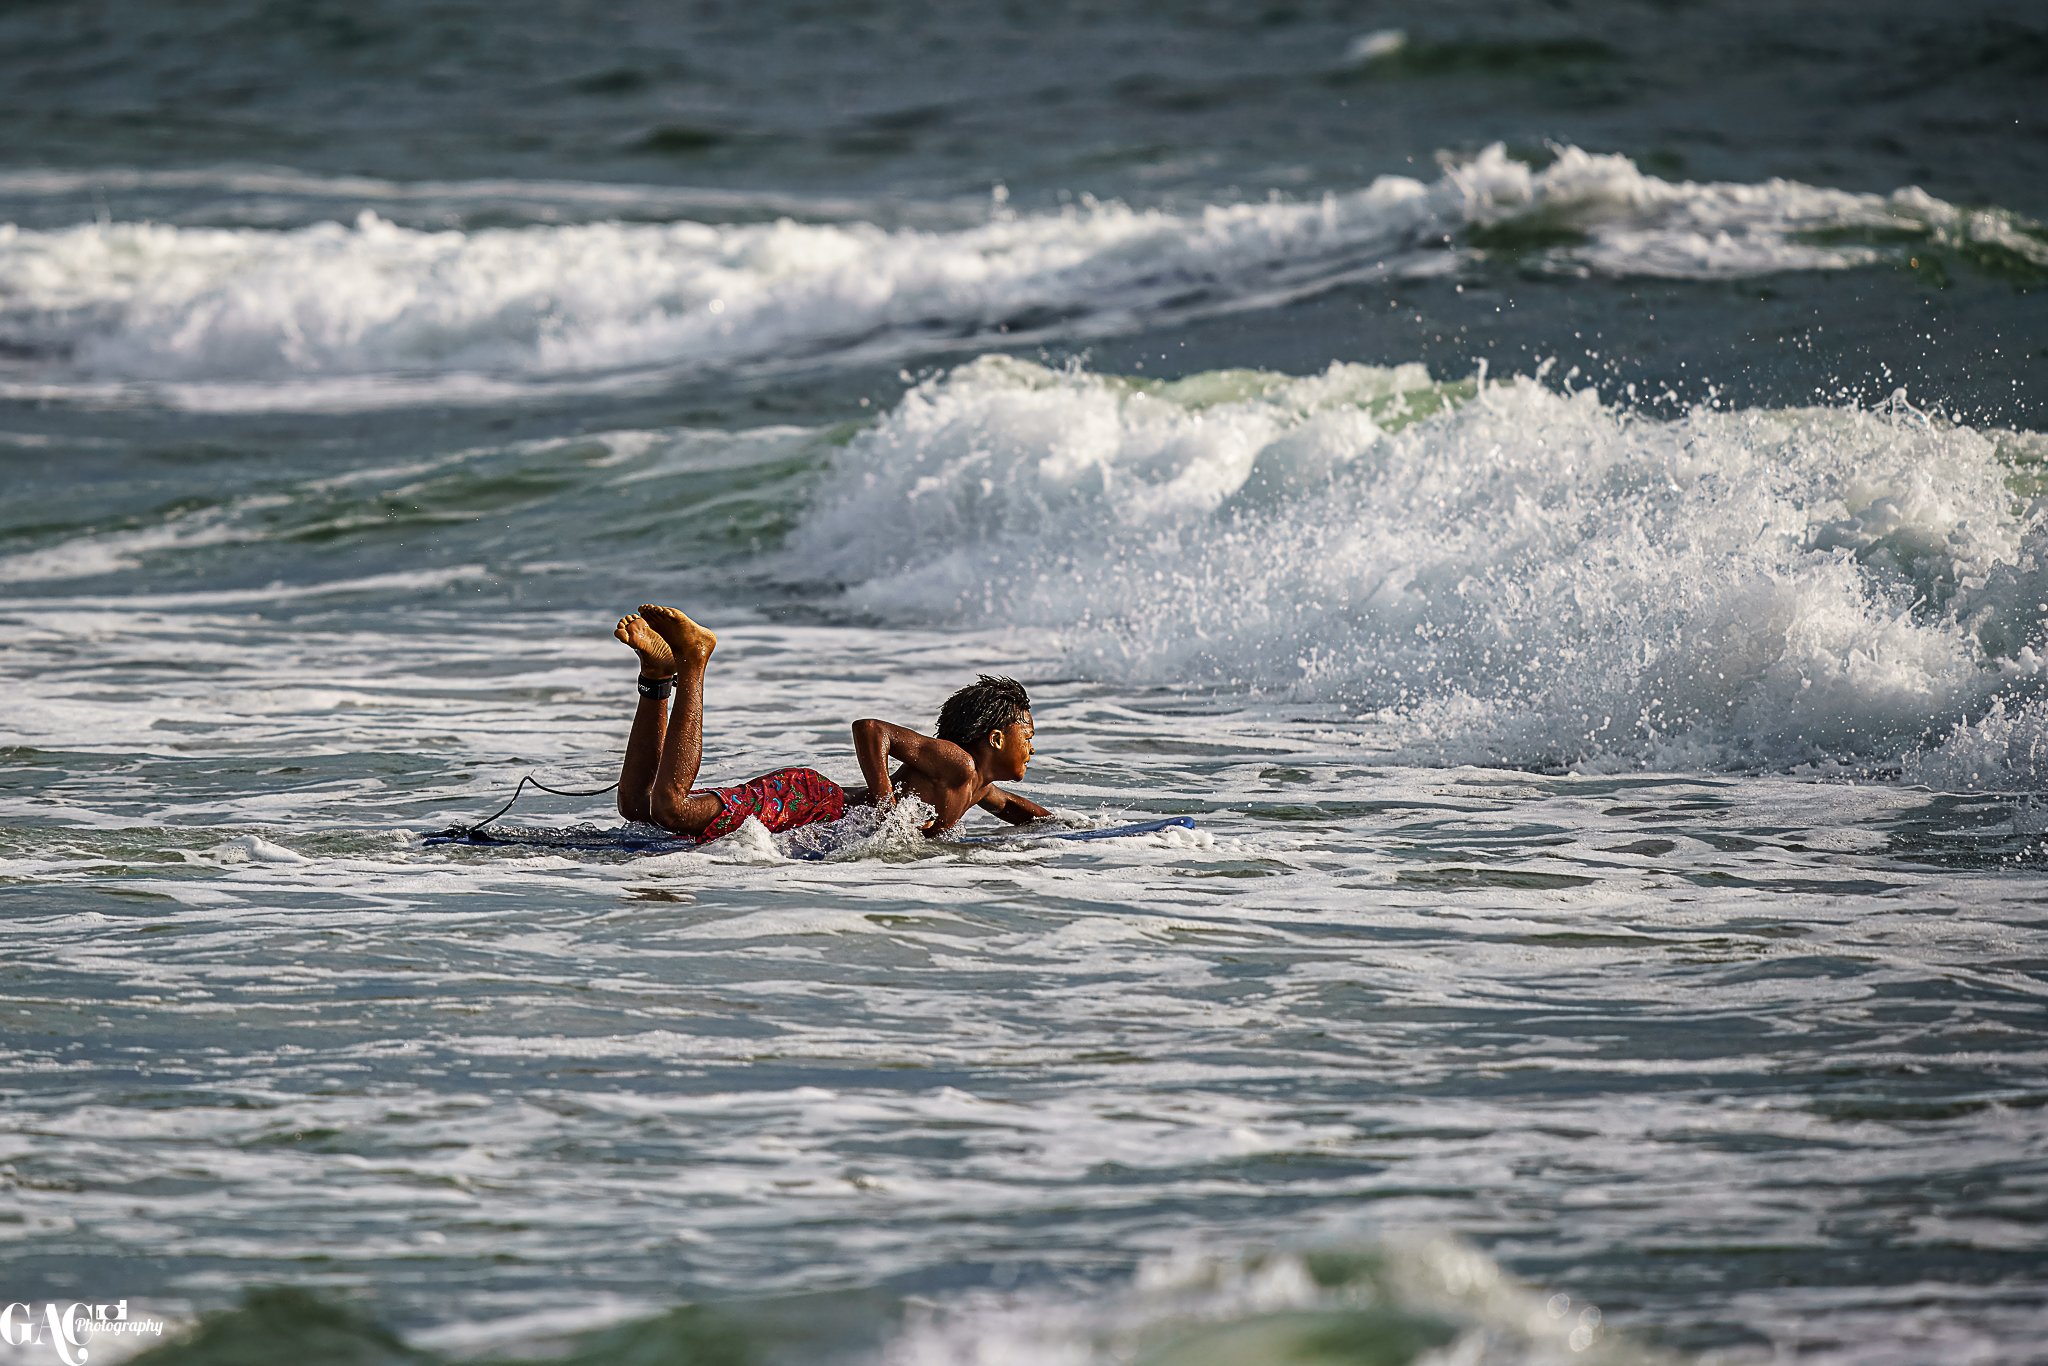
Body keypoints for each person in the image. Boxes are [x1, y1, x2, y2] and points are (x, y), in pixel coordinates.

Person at [613, 604, 1050, 843]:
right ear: (995, 738)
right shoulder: (958, 764)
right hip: (810, 802)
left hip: (810, 809)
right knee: (671, 808)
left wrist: (1085, 833)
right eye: (1027, 737)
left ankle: (656, 678)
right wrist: (886, 808)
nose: (1032, 748)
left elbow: (1016, 811)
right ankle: (694, 659)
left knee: (638, 808)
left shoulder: (978, 787)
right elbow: (871, 729)